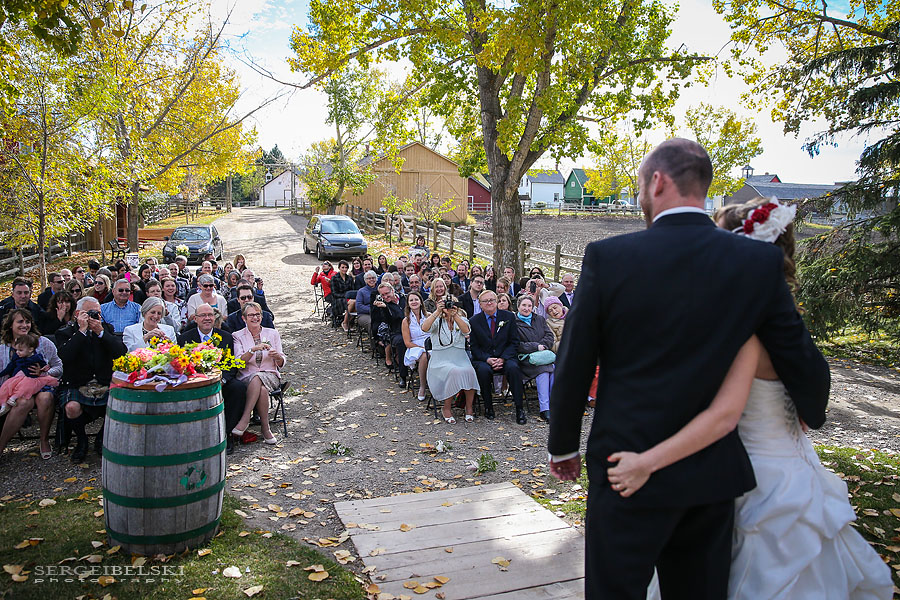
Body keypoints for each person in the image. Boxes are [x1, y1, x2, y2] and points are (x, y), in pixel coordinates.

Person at [547, 139, 831, 600]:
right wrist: (808, 411)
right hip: (710, 476)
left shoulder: (609, 258)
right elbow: (804, 363)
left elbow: (575, 361)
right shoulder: (757, 263)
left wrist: (563, 446)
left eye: (640, 185)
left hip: (624, 468)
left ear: (656, 182)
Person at [610, 199, 891, 599]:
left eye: (717, 239)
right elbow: (807, 417)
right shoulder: (788, 324)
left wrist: (645, 463)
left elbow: (724, 416)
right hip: (800, 475)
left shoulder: (747, 330)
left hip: (755, 487)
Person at [56, 297, 127, 462]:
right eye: (90, 313)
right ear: (77, 314)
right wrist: (81, 332)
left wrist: (101, 333)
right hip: (77, 383)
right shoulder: (65, 332)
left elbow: (121, 352)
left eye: (98, 313)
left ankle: (101, 438)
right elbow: (64, 356)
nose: (94, 316)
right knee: (72, 407)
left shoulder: (106, 329)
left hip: (103, 382)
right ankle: (82, 441)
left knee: (120, 401)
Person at [178, 303, 247, 455]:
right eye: (203, 315)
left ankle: (227, 433)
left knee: (238, 388)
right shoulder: (185, 339)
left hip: (220, 380)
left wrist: (222, 380)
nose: (207, 318)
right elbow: (182, 365)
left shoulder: (226, 337)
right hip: (194, 382)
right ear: (195, 319)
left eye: (210, 315)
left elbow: (231, 364)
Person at [0, 310, 62, 458]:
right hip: (16, 388)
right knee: (23, 403)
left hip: (42, 384)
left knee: (45, 398)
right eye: (20, 322)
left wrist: (45, 372)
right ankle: (1, 446)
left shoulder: (43, 343)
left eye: (27, 322)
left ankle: (44, 440)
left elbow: (59, 367)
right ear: (10, 325)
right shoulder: (3, 348)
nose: (25, 325)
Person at [469, 290, 526, 424]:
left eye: (492, 300)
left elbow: (514, 342)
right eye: (485, 301)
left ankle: (519, 409)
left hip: (505, 357)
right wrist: (487, 359)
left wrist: (503, 358)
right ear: (480, 304)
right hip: (485, 358)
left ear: (496, 302)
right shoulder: (474, 321)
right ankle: (488, 407)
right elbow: (474, 347)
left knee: (513, 368)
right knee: (483, 371)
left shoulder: (509, 317)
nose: (489, 303)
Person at [232, 302, 284, 445]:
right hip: (247, 377)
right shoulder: (237, 336)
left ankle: (245, 419)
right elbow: (238, 363)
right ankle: (265, 428)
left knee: (259, 378)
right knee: (260, 387)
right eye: (251, 315)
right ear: (244, 318)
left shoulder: (272, 333)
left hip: (270, 375)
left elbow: (282, 361)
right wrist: (252, 350)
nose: (255, 317)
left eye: (258, 314)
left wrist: (277, 357)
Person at [421, 295, 479, 423]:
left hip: (460, 357)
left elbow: (467, 331)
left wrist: (455, 315)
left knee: (469, 371)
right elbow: (424, 328)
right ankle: (446, 408)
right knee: (454, 371)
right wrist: (438, 311)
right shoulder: (437, 320)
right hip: (440, 360)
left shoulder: (462, 319)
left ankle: (468, 407)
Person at [514, 295, 555, 422]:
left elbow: (549, 336)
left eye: (529, 306)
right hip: (526, 360)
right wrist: (536, 346)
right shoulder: (513, 322)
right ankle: (545, 409)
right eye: (524, 305)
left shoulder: (540, 319)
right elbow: (516, 344)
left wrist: (544, 345)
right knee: (543, 371)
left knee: (555, 368)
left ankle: (553, 404)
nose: (527, 308)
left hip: (544, 357)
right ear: (518, 306)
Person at [0, 332, 58, 418]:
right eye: (16, 350)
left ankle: (13, 398)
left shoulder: (37, 358)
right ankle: (4, 404)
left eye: (20, 350)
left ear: (30, 349)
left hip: (30, 379)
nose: (18, 352)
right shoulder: (17, 357)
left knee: (26, 387)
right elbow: (10, 367)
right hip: (17, 378)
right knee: (6, 387)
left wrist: (43, 370)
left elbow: (44, 366)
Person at [401, 291, 430, 401]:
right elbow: (407, 342)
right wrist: (422, 348)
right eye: (411, 300)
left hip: (430, 343)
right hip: (415, 346)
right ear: (408, 304)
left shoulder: (429, 316)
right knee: (424, 355)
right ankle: (422, 386)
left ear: (421, 302)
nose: (414, 302)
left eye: (416, 299)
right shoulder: (406, 321)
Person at [371, 282, 405, 374]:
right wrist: (385, 308)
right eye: (383, 295)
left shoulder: (404, 298)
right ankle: (403, 376)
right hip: (396, 331)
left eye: (387, 293)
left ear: (393, 291)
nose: (385, 296)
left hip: (411, 329)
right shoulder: (384, 305)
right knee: (401, 342)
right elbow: (388, 320)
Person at [331, 260, 356, 331]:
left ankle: (346, 321)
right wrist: (345, 296)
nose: (344, 269)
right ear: (339, 268)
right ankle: (345, 323)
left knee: (356, 303)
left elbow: (353, 290)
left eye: (346, 267)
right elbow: (334, 293)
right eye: (343, 267)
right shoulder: (334, 278)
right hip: (339, 299)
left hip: (350, 298)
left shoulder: (350, 278)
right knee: (353, 302)